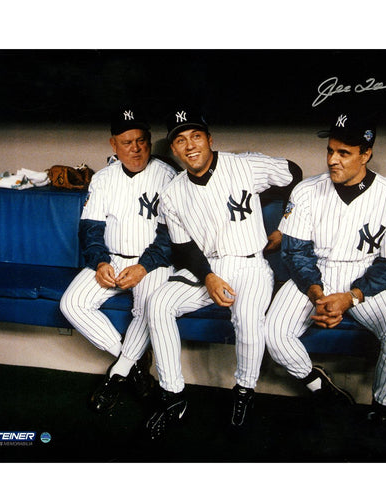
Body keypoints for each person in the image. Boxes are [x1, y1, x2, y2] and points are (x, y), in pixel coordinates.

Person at [144, 107, 302, 439]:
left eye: (196, 136)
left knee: (248, 318)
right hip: (206, 266)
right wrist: (209, 277)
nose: (189, 146)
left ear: (210, 139)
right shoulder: (172, 193)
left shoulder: (244, 165)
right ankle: (173, 395)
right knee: (157, 303)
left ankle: (244, 390)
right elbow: (183, 248)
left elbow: (294, 173)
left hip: (250, 264)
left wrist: (286, 226)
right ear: (173, 149)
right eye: (180, 140)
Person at [264, 112, 386, 425]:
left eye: (344, 153)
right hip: (312, 272)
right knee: (273, 333)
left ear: (366, 154)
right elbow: (295, 252)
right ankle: (318, 385)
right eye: (330, 150)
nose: (333, 159)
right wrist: (316, 292)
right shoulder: (306, 191)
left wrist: (352, 296)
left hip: (367, 275)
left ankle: (381, 409)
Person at [60, 107, 180, 413]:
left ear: (150, 141)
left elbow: (170, 236)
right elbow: (90, 229)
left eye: (141, 140)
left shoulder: (167, 176)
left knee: (150, 307)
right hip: (112, 258)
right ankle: (135, 363)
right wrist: (100, 262)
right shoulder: (103, 179)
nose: (136, 148)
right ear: (114, 145)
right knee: (72, 304)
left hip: (151, 262)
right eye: (127, 142)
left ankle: (117, 374)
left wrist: (143, 266)